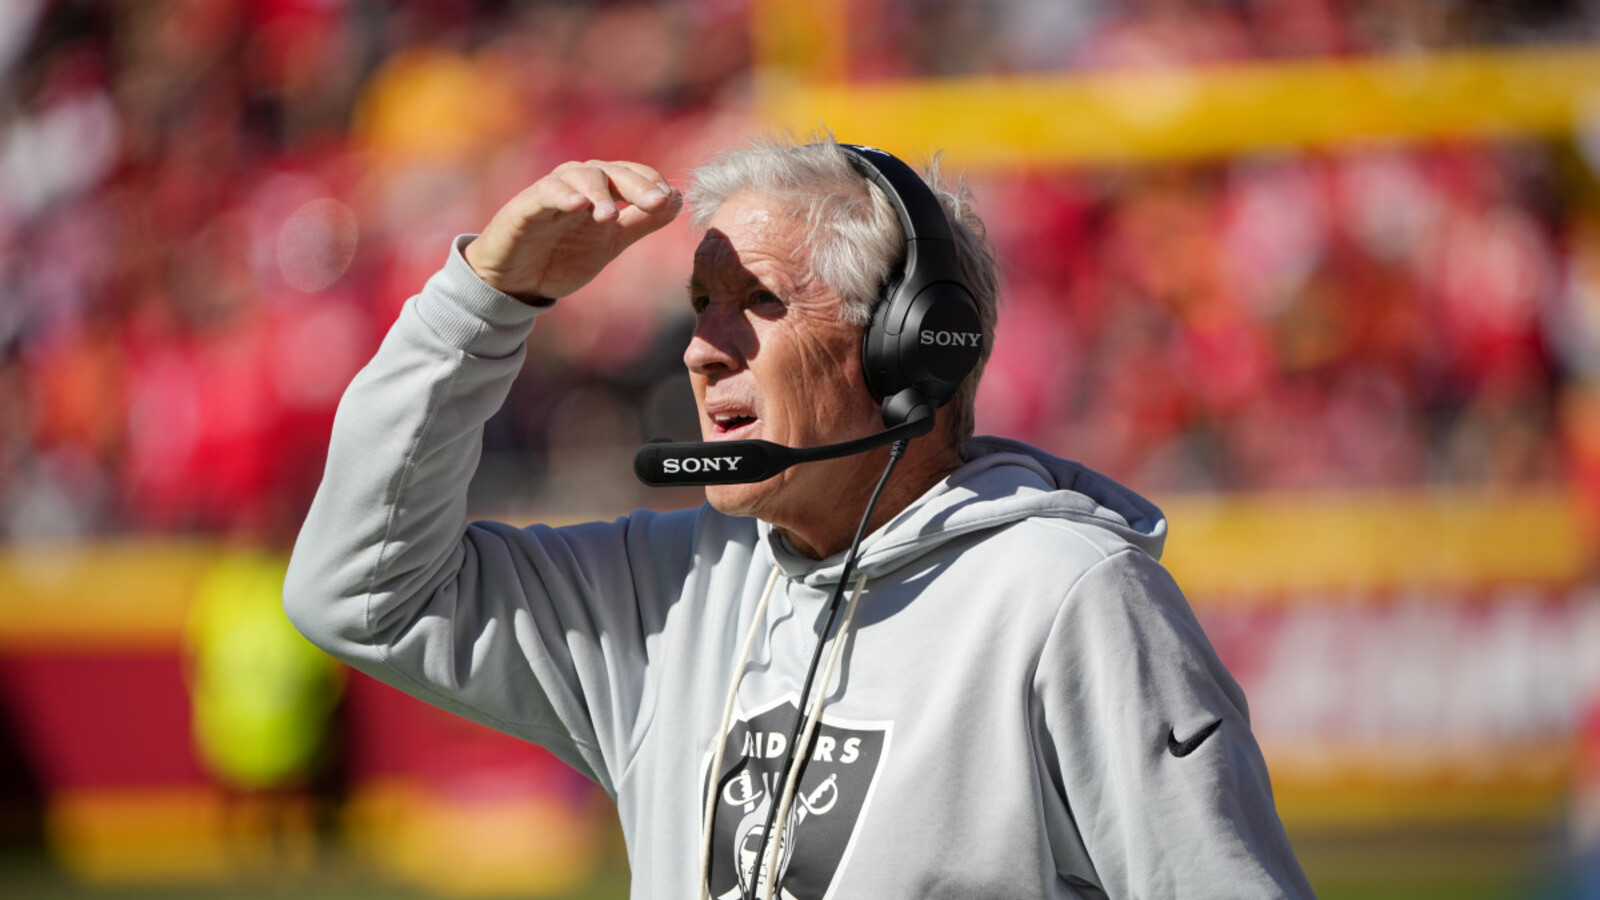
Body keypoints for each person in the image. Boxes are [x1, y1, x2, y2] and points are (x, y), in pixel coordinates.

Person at [284, 136, 1313, 899]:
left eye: (759, 302)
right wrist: (484, 303)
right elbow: (358, 594)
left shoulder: (1067, 594)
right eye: (701, 303)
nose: (702, 349)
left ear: (910, 348)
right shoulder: (668, 591)